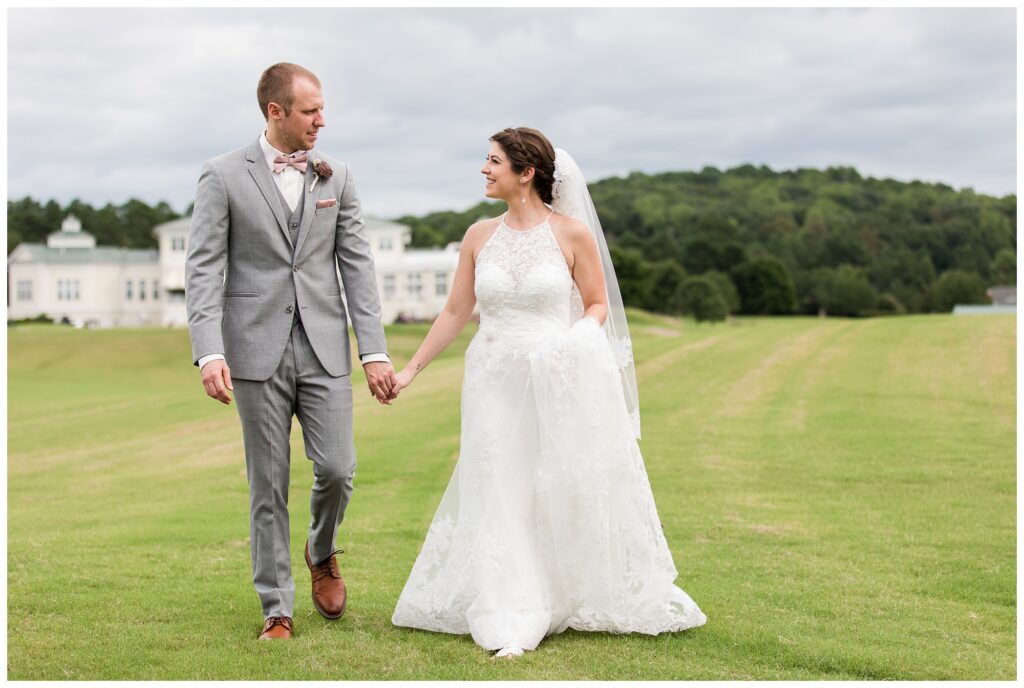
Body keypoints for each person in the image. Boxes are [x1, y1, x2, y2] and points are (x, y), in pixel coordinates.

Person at [390, 127, 707, 657]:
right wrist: (409, 371)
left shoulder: (572, 234)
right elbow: (455, 311)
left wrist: (575, 342)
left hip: (554, 373)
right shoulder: (477, 236)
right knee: (499, 486)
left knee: (549, 483)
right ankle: (509, 607)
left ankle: (554, 590)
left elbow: (597, 305)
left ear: (526, 172)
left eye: (493, 162)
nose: (484, 170)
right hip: (492, 377)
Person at [185, 63, 396, 641]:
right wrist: (209, 351)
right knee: (268, 483)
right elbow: (204, 267)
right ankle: (276, 607)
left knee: (337, 469)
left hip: (326, 348)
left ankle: (321, 549)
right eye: (310, 111)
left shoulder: (337, 176)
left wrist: (372, 350)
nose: (321, 121)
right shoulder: (222, 175)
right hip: (254, 350)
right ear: (275, 112)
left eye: (323, 109)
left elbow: (357, 267)